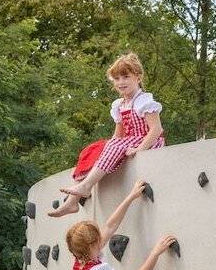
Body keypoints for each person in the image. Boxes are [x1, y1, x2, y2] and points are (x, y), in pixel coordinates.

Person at [50, 53, 165, 217]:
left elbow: (156, 129)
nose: (121, 82)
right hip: (128, 142)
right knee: (95, 149)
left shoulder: (144, 101)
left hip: (148, 140)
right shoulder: (119, 105)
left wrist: (139, 148)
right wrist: (103, 150)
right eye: (117, 78)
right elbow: (118, 134)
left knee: (113, 145)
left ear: (138, 77)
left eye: (126, 77)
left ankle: (86, 186)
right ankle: (72, 202)